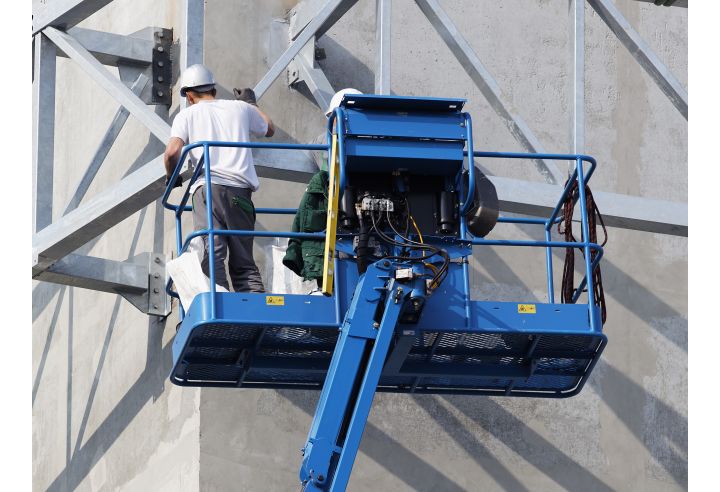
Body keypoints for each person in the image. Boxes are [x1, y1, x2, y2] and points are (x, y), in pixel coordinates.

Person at [164, 64, 274, 293]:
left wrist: (172, 176)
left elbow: (172, 152)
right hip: (241, 195)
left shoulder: (187, 115)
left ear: (190, 95)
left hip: (208, 190)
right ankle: (254, 309)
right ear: (213, 88)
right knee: (244, 261)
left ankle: (219, 307)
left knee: (210, 255)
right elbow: (269, 128)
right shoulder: (240, 109)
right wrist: (251, 104)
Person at [283, 89, 362, 287]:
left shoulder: (324, 142)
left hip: (345, 222)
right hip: (352, 221)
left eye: (331, 117)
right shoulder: (375, 141)